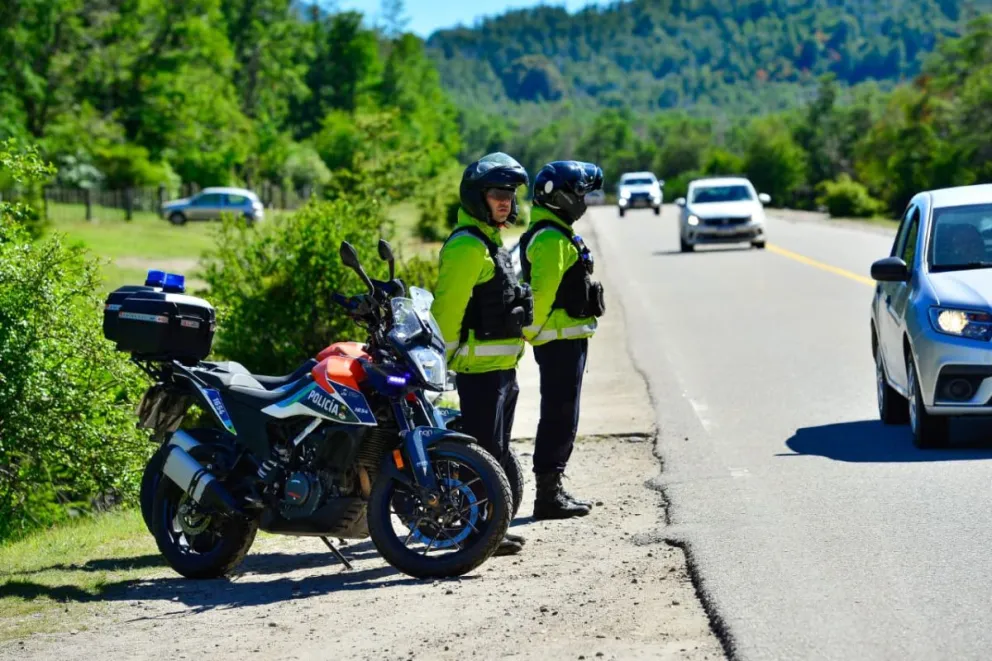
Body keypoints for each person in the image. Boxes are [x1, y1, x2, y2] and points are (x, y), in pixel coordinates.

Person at [431, 152, 535, 555]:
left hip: (502, 369)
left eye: (509, 194)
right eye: (496, 194)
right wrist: (440, 361)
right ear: (478, 197)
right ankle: (480, 535)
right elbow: (448, 310)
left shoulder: (491, 242)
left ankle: (493, 527)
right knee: (483, 456)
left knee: (497, 450)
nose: (505, 201)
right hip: (479, 369)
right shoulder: (466, 248)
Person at [518, 160, 605, 520]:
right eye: (578, 193)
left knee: (563, 414)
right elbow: (541, 296)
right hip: (557, 340)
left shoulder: (556, 232)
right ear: (560, 198)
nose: (582, 200)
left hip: (564, 338)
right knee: (559, 415)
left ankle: (552, 490)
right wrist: (533, 335)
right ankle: (548, 496)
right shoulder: (552, 239)